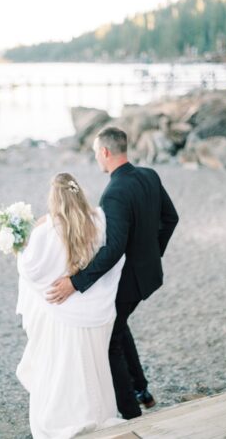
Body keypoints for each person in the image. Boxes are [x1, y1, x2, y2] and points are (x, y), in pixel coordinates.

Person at [47, 127, 179, 420]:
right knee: (119, 326)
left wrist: (75, 282)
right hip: (148, 275)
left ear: (105, 152)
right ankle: (141, 390)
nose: (97, 159)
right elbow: (171, 219)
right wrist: (152, 254)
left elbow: (115, 248)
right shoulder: (149, 175)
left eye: (96, 153)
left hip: (129, 282)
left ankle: (131, 412)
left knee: (110, 342)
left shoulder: (114, 193)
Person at [15, 172, 125, 439]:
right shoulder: (98, 220)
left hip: (63, 313)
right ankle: (98, 414)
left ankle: (69, 417)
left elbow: (31, 269)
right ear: (78, 192)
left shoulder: (47, 231)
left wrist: (19, 250)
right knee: (94, 368)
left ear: (54, 199)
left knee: (65, 370)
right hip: (96, 311)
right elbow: (110, 255)